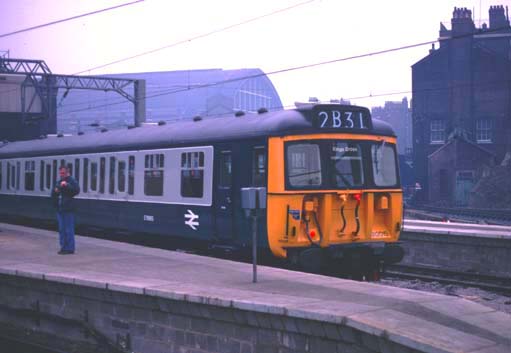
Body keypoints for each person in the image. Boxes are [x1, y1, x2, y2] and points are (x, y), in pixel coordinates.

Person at [51, 165, 80, 254]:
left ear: (67, 172)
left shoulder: (72, 181)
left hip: (68, 208)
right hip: (60, 209)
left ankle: (70, 248)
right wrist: (55, 191)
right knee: (61, 229)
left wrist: (67, 185)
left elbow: (76, 190)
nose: (61, 174)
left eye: (63, 173)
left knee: (68, 229)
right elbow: (53, 194)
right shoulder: (59, 181)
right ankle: (63, 247)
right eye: (60, 173)